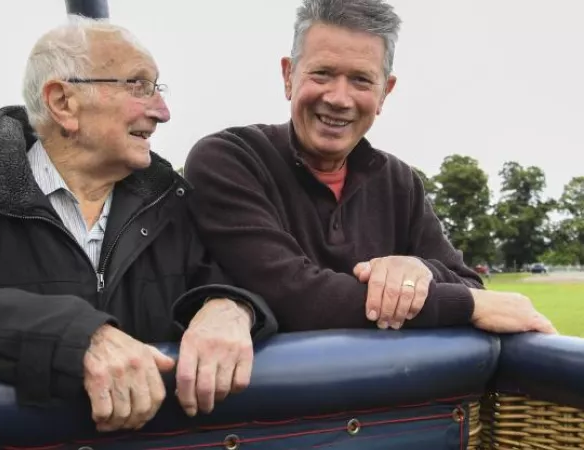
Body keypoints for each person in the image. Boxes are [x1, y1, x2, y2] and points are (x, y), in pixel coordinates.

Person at [0, 17, 277, 433]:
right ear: (63, 102)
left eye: (156, 88)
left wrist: (232, 307)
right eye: (139, 86)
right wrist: (73, 337)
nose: (162, 111)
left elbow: (234, 281)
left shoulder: (174, 204)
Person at [184, 0, 556, 335]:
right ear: (288, 76)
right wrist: (467, 306)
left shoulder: (400, 182)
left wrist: (417, 271)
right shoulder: (229, 159)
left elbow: (466, 280)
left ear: (384, 93)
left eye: (361, 80)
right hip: (277, 409)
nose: (339, 98)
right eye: (322, 74)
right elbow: (295, 297)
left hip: (389, 409)